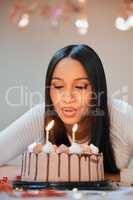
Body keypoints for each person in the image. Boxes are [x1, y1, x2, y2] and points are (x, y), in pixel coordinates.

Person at [0, 44, 133, 173]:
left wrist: (114, 177)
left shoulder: (122, 115)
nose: (68, 98)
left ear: (97, 89)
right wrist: (35, 172)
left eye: (80, 86)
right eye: (58, 86)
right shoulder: (41, 116)